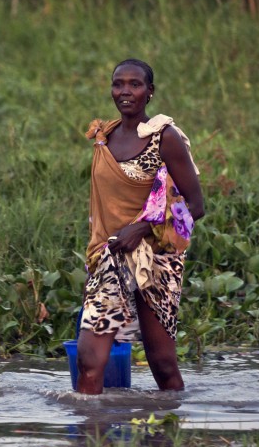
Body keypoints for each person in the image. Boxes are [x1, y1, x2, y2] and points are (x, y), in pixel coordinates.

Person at [75, 59, 204, 394]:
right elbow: (103, 210)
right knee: (89, 360)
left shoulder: (165, 138)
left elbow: (195, 207)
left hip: (159, 258)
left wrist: (143, 229)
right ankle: (91, 439)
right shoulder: (105, 137)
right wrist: (97, 257)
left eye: (135, 84)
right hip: (112, 255)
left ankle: (168, 431)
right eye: (118, 84)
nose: (125, 91)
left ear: (150, 92)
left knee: (162, 363)